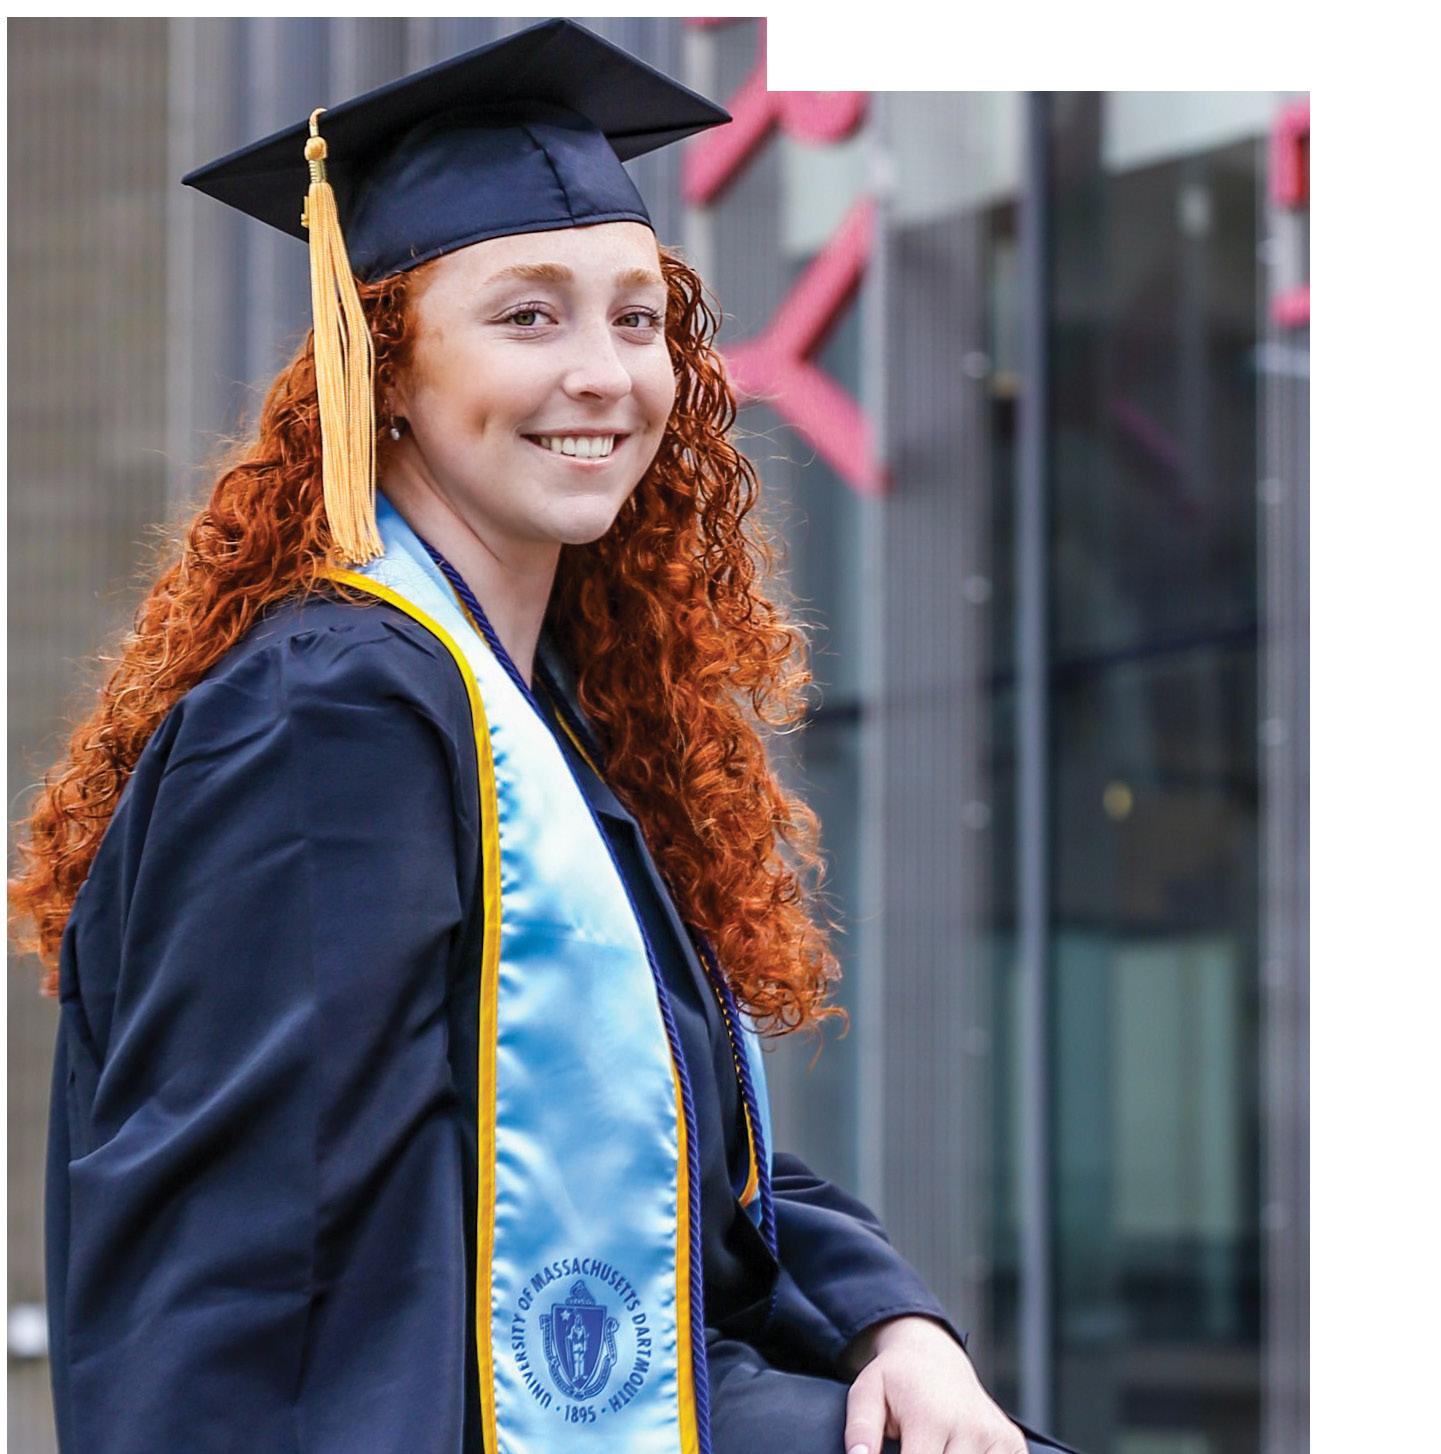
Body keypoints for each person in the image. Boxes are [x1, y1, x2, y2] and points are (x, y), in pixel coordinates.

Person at [10, 19, 1081, 1454]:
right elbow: (247, 1278)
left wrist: (897, 1328)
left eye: (637, 319)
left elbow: (693, 1168)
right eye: (528, 317)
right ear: (386, 366)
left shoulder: (537, 714)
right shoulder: (335, 714)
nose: (604, 374)